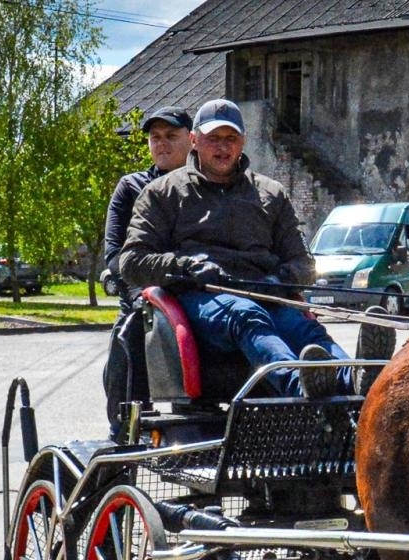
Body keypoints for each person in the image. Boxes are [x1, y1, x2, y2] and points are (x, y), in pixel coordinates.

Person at [118, 98, 353, 398]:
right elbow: (132, 260)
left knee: (304, 329)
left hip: (266, 295)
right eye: (213, 138)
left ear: (243, 141)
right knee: (247, 316)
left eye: (231, 139)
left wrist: (278, 280)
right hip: (201, 300)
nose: (223, 147)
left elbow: (303, 262)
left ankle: (355, 377)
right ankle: (300, 384)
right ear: (194, 140)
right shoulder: (162, 194)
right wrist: (184, 267)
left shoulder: (271, 193)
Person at [101, 105, 193, 434]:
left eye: (171, 136)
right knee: (129, 339)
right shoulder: (131, 187)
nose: (161, 143)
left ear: (192, 140)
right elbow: (114, 255)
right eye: (155, 137)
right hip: (143, 296)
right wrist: (146, 291)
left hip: (194, 295)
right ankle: (122, 435)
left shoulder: (204, 186)